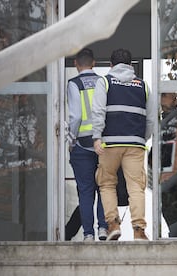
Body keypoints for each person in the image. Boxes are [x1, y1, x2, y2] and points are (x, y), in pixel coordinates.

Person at [92, 48, 155, 241]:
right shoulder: (143, 86)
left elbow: (98, 111)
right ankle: (139, 230)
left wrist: (97, 138)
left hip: (110, 144)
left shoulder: (105, 82)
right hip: (135, 144)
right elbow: (151, 119)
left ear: (111, 65)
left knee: (107, 183)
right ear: (130, 66)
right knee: (136, 187)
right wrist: (141, 139)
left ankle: (112, 225)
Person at [67, 48, 107, 241]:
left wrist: (71, 140)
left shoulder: (74, 84)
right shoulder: (103, 82)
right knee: (104, 187)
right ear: (94, 63)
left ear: (76, 63)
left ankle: (88, 234)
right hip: (102, 144)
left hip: (82, 144)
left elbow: (74, 116)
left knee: (85, 191)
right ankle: (103, 229)